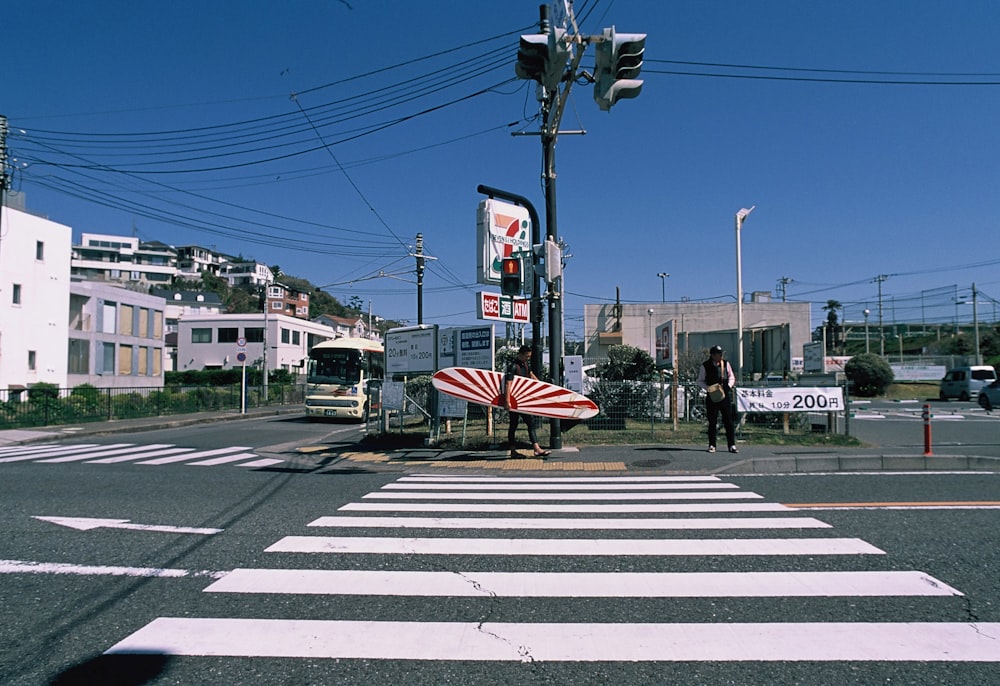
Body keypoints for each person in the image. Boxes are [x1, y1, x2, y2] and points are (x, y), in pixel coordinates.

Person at [502, 344, 551, 458]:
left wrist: (540, 385)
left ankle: (536, 449)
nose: (528, 358)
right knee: (513, 425)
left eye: (529, 356)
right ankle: (513, 451)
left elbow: (530, 374)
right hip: (514, 401)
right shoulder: (513, 367)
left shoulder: (525, 364)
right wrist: (507, 401)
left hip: (523, 400)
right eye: (526, 356)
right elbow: (507, 384)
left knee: (530, 423)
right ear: (520, 354)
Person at [696, 344, 738, 454]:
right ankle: (712, 445)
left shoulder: (726, 364)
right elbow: (700, 381)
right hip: (712, 397)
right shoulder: (705, 366)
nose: (720, 356)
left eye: (721, 354)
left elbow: (732, 377)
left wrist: (728, 386)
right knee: (712, 421)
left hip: (724, 395)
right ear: (712, 355)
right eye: (718, 354)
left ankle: (731, 445)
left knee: (728, 420)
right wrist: (708, 389)